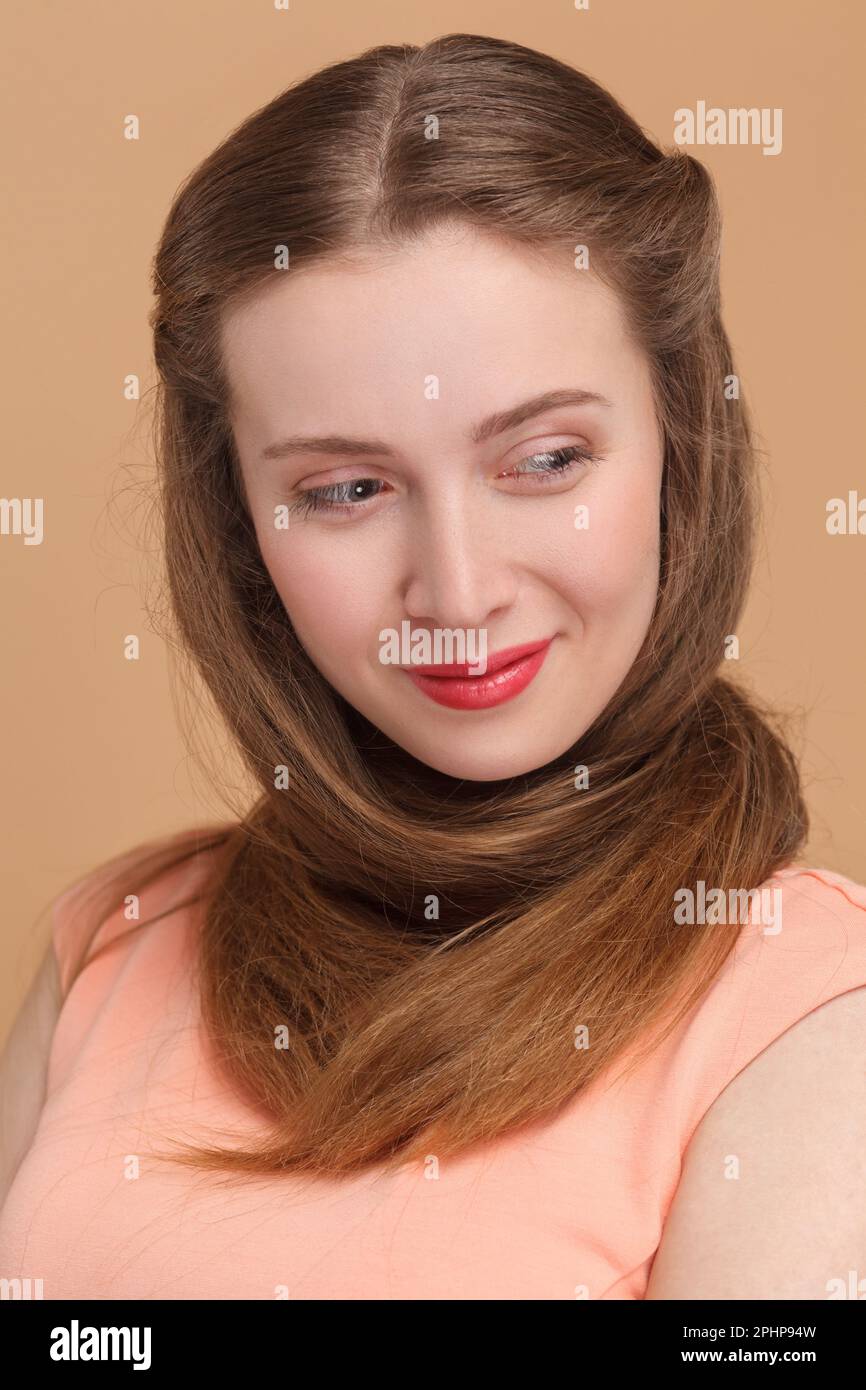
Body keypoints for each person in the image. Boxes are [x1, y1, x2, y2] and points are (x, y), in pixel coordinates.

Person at [2, 32, 865, 1301]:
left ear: (680, 437)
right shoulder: (115, 949)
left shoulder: (802, 1008)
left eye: (544, 460)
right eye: (346, 488)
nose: (456, 592)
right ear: (237, 517)